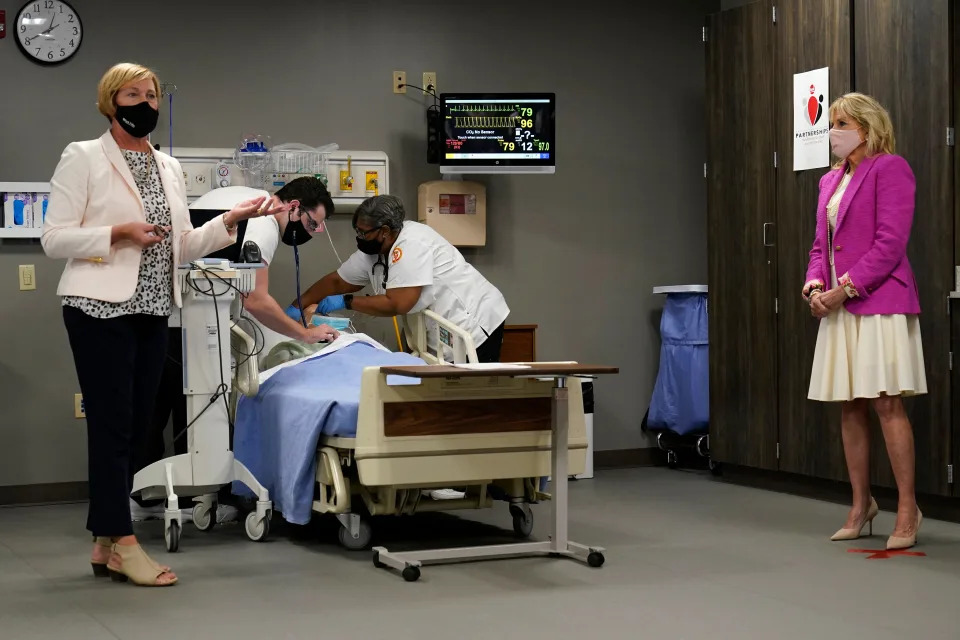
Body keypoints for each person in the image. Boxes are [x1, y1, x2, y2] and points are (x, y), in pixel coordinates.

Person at [42, 62, 288, 587]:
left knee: (136, 431)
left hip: (156, 309)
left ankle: (104, 541)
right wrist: (118, 234)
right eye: (133, 94)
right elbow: (55, 238)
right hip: (98, 307)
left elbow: (183, 246)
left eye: (152, 95)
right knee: (112, 427)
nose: (145, 103)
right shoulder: (84, 156)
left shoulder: (168, 166)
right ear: (111, 101)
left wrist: (231, 221)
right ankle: (125, 542)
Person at [133, 178, 340, 525]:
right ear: (293, 207)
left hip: (159, 313)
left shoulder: (239, 199)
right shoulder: (265, 221)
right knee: (204, 401)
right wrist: (305, 334)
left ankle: (147, 495)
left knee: (160, 405)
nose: (311, 232)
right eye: (311, 224)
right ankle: (211, 493)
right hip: (182, 321)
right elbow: (255, 299)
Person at [802, 92, 925, 550]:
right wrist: (815, 285)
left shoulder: (890, 168)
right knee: (849, 405)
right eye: (831, 122)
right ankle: (861, 504)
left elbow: (890, 243)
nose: (834, 131)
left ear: (867, 127)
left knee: (886, 403)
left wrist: (845, 288)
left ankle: (908, 508)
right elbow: (820, 246)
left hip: (879, 301)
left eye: (842, 122)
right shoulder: (829, 181)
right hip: (837, 304)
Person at [292, 194, 510, 363]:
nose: (359, 238)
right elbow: (337, 282)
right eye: (357, 231)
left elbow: (399, 302)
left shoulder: (413, 243)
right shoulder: (374, 249)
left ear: (385, 230)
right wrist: (297, 306)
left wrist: (346, 302)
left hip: (474, 323)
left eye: (363, 232)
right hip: (438, 332)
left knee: (472, 396)